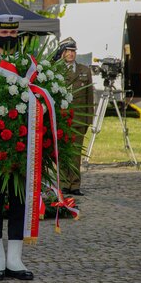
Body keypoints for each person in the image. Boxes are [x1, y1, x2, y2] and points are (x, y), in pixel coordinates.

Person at [0, 14, 33, 282]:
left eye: (14, 34)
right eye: (5, 34)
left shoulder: (26, 63)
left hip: (22, 143)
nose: (10, 38)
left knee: (18, 202)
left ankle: (15, 259)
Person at [59, 37, 94, 196]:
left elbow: (89, 98)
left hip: (79, 119)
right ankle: (64, 183)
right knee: (63, 153)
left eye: (73, 51)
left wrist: (88, 120)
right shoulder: (56, 71)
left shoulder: (84, 70)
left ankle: (75, 184)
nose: (71, 54)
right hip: (62, 119)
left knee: (76, 154)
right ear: (62, 53)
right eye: (68, 51)